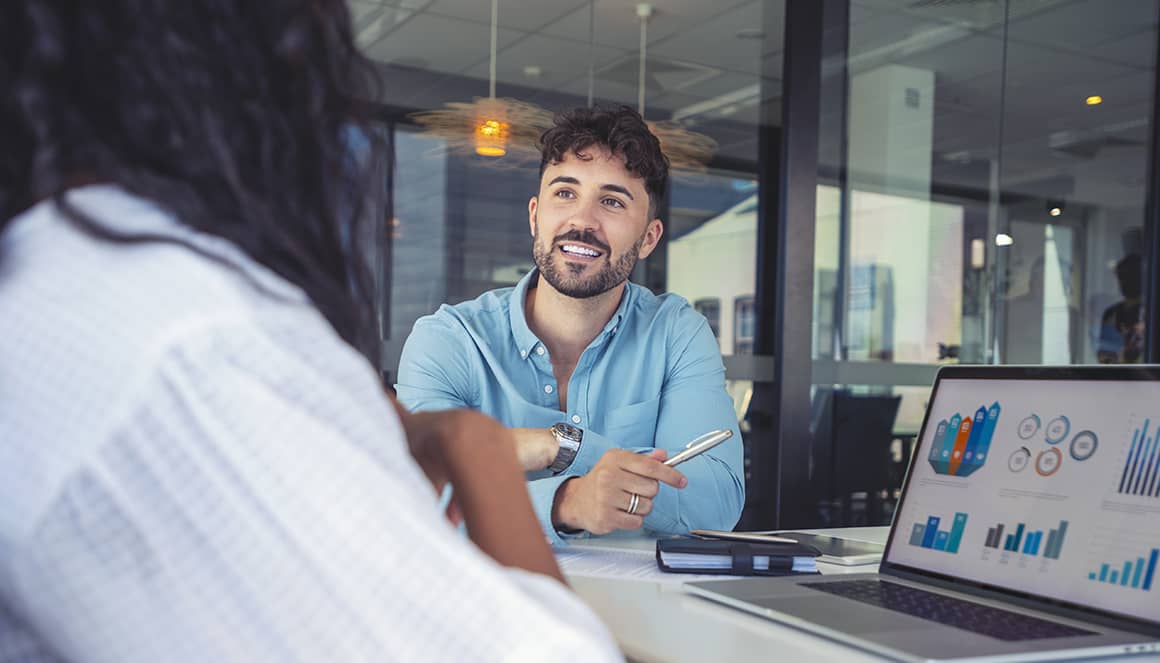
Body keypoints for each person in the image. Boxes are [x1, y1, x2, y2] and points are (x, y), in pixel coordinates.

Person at [0, 2, 620, 661]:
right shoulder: (188, 340)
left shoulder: (62, 278)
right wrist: (485, 452)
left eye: (613, 199)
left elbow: (711, 491)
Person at [396, 106, 745, 543]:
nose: (582, 221)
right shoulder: (450, 341)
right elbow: (409, 496)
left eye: (612, 202)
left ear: (649, 239)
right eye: (565, 193)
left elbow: (713, 504)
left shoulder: (676, 334)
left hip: (642, 609)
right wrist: (566, 502)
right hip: (487, 602)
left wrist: (567, 446)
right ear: (534, 216)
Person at [1098, 253, 1145, 364]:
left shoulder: (1151, 313)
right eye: (1122, 276)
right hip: (1116, 377)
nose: (1124, 282)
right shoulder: (1111, 314)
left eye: (1130, 276)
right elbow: (1103, 356)